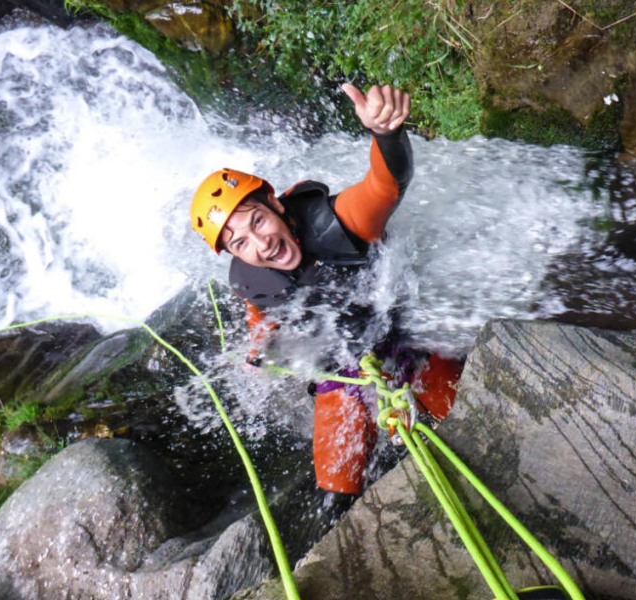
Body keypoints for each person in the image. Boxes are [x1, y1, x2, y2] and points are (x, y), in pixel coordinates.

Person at [189, 83, 461, 495]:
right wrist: (257, 345)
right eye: (240, 242)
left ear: (276, 204)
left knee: (464, 426)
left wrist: (386, 135)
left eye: (257, 221)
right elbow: (261, 304)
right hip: (346, 363)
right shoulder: (249, 275)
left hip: (408, 337)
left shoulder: (338, 224)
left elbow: (385, 186)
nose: (260, 244)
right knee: (335, 486)